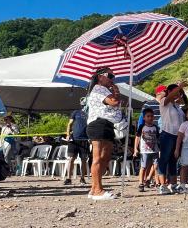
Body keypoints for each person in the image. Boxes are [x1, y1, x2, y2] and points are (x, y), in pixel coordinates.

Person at [85, 68, 125, 200]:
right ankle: (97, 190)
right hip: (99, 123)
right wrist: (116, 91)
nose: (112, 78)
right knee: (98, 158)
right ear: (100, 76)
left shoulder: (103, 90)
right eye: (110, 75)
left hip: (106, 124)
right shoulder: (99, 88)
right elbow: (114, 102)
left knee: (105, 157)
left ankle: (94, 187)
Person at [155, 83, 186, 195]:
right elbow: (169, 96)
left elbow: (182, 103)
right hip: (167, 134)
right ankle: (162, 185)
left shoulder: (176, 106)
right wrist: (178, 87)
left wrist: (179, 94)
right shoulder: (164, 102)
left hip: (177, 136)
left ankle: (173, 184)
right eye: (176, 92)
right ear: (170, 92)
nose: (178, 94)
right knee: (164, 159)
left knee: (173, 160)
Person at [63, 99, 89, 186]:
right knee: (71, 159)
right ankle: (68, 178)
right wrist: (67, 135)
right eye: (83, 104)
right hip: (74, 139)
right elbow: (69, 124)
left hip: (85, 140)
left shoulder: (90, 114)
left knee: (84, 160)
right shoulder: (76, 112)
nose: (84, 105)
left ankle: (82, 178)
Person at [134, 108, 159, 192]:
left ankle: (154, 181)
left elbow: (158, 138)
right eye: (148, 116)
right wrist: (135, 149)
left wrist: (160, 149)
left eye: (152, 116)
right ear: (144, 117)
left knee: (156, 166)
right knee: (143, 167)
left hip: (154, 150)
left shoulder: (156, 127)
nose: (150, 118)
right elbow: (137, 138)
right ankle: (141, 183)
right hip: (144, 150)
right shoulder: (142, 127)